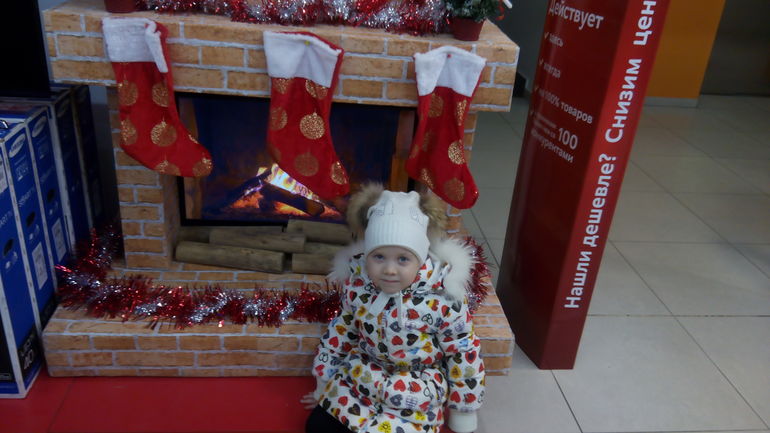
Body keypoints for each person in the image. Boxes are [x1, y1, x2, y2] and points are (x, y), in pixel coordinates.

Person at [301, 184, 485, 433]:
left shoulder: (442, 300)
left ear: (420, 260)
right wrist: (323, 383)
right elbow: (341, 332)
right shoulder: (359, 287)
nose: (389, 270)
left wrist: (464, 411)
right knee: (316, 427)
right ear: (366, 256)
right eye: (379, 257)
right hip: (363, 378)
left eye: (402, 259)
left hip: (413, 391)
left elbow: (463, 352)